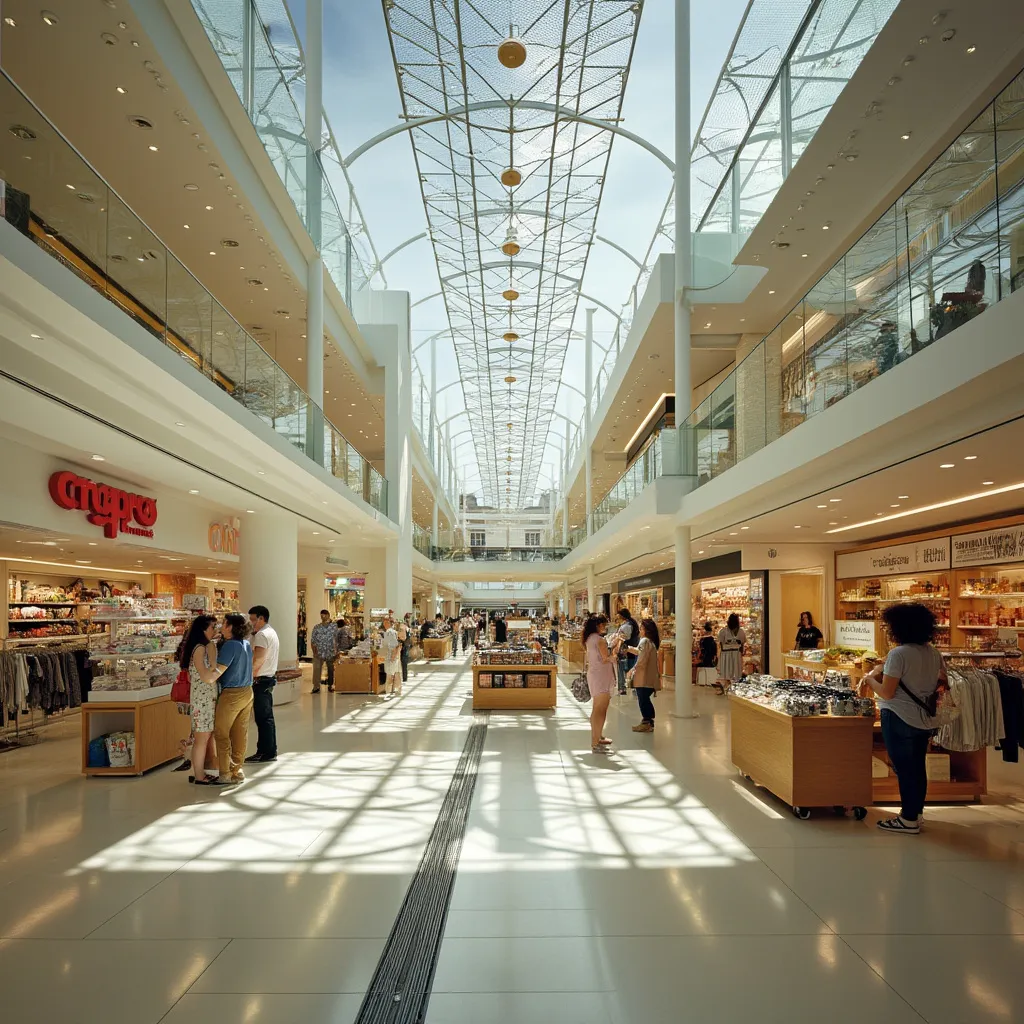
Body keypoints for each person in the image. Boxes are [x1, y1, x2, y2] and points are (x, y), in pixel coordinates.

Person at [861, 603, 946, 834]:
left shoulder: (899, 654)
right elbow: (942, 681)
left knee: (904, 768)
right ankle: (915, 813)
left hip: (898, 716)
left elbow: (887, 692)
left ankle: (908, 819)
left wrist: (870, 680)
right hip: (923, 718)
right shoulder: (933, 652)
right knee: (917, 767)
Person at [179, 614, 224, 784]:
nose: (215, 630)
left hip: (206, 698)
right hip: (202, 700)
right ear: (203, 629)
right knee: (201, 739)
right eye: (213, 627)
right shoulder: (199, 648)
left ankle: (201, 773)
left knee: (203, 738)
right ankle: (199, 776)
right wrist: (221, 668)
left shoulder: (204, 647)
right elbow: (206, 675)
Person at [213, 613, 254, 784]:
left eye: (224, 623)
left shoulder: (230, 646)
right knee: (240, 734)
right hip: (247, 691)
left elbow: (219, 670)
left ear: (230, 627)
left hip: (231, 694)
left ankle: (224, 773)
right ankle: (237, 770)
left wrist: (206, 675)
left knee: (222, 733)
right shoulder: (245, 644)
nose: (221, 626)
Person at [246, 605, 279, 763]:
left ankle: (265, 752)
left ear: (261, 618)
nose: (251, 623)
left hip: (261, 679)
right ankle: (269, 750)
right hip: (268, 678)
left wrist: (249, 676)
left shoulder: (262, 635)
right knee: (266, 717)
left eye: (253, 619)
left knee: (263, 718)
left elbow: (259, 658)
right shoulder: (270, 632)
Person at [583, 614, 620, 753]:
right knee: (601, 710)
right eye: (604, 624)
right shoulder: (599, 640)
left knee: (596, 708)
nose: (605, 627)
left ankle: (597, 736)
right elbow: (606, 658)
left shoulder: (589, 639)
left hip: (594, 674)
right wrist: (615, 654)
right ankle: (595, 742)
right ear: (599, 625)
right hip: (602, 676)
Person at [627, 618, 662, 732]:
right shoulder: (649, 642)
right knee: (644, 698)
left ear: (646, 630)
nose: (640, 631)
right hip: (649, 677)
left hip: (644, 677)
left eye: (641, 628)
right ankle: (648, 722)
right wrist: (628, 649)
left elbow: (642, 659)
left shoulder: (645, 641)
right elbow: (640, 652)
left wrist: (633, 669)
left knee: (643, 699)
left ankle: (647, 721)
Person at [716, 613, 746, 693]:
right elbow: (742, 644)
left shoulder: (723, 631)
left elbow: (721, 644)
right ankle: (733, 687)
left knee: (726, 670)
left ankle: (726, 686)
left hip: (726, 653)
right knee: (736, 670)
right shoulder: (741, 632)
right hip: (736, 653)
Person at [310, 609, 336, 694]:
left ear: (328, 615)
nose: (323, 616)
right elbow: (313, 640)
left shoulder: (334, 627)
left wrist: (337, 651)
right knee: (317, 669)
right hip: (319, 652)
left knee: (331, 669)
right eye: (321, 615)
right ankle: (316, 686)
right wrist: (314, 651)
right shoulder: (317, 627)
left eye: (325, 615)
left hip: (330, 651)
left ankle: (330, 685)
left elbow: (337, 639)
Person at [614, 608, 639, 696]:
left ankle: (623, 688)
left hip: (626, 649)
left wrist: (618, 643)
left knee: (623, 668)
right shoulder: (630, 624)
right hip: (630, 649)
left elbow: (625, 638)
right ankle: (633, 686)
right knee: (630, 667)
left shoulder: (627, 625)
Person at [381, 616, 402, 698]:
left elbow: (394, 645)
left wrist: (393, 655)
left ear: (388, 623)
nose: (384, 624)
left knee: (391, 674)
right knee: (394, 673)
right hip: (392, 655)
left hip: (391, 655)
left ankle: (389, 690)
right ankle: (395, 689)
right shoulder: (391, 631)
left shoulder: (389, 632)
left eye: (385, 622)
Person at [696, 621, 718, 687]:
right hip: (710, 658)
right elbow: (714, 651)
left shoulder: (702, 640)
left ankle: (702, 681)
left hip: (704, 657)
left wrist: (698, 657)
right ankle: (709, 681)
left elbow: (700, 650)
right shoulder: (713, 641)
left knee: (702, 668)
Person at [398, 614, 411, 682]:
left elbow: (403, 637)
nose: (408, 619)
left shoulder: (404, 627)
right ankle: (404, 677)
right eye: (408, 618)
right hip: (405, 645)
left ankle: (404, 677)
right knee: (404, 662)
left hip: (404, 646)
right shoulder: (405, 626)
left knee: (404, 662)